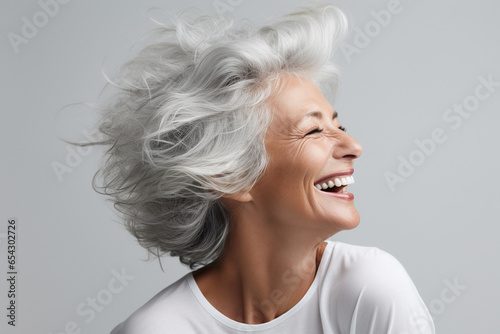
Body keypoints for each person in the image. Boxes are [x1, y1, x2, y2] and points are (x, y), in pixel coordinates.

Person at [82, 2, 435, 333]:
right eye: (313, 130)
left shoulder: (370, 288)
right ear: (231, 175)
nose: (353, 146)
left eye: (338, 126)